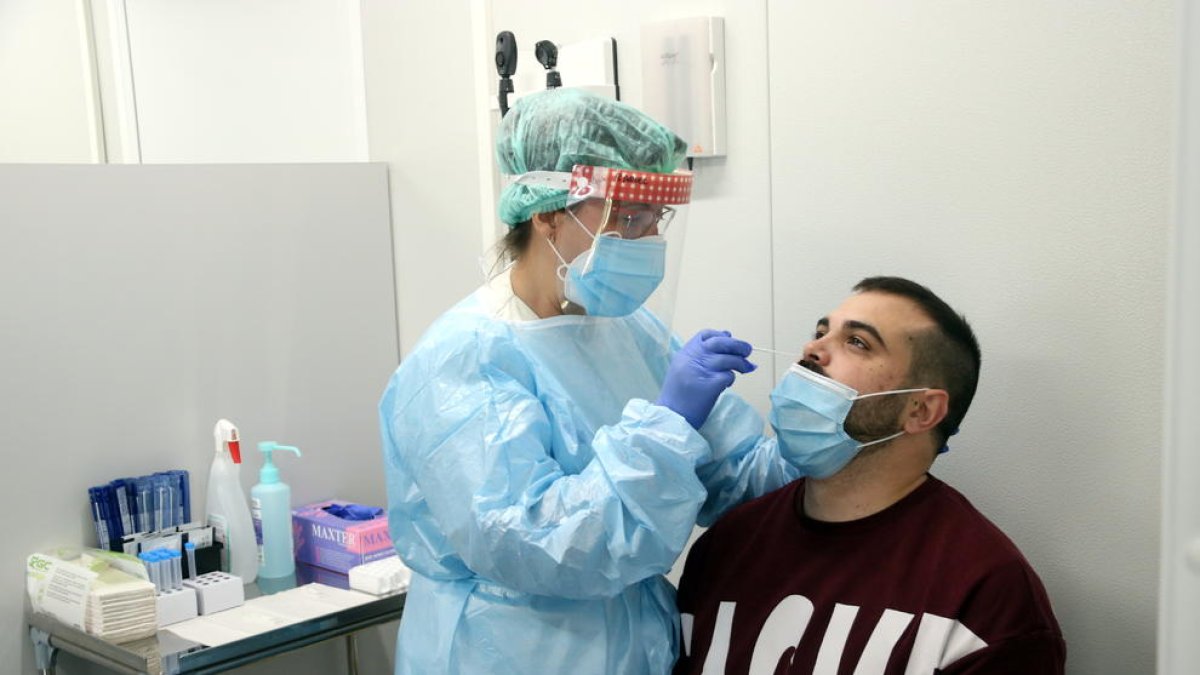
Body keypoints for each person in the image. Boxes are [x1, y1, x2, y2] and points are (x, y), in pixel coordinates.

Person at [378, 88, 759, 674]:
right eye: (627, 217)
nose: (647, 239)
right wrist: (666, 426)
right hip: (508, 651)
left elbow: (727, 473)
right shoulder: (464, 361)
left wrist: (819, 429)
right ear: (547, 210)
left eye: (656, 218)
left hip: (634, 646)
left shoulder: (628, 328)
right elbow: (535, 544)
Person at [673, 277, 1067, 674]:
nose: (812, 350)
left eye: (857, 342)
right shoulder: (728, 545)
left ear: (920, 411)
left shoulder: (983, 593)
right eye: (820, 333)